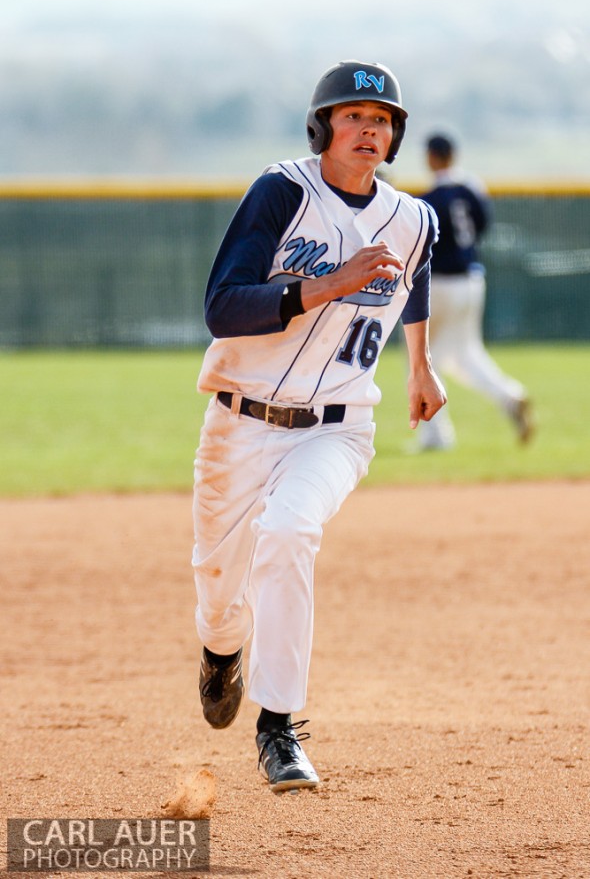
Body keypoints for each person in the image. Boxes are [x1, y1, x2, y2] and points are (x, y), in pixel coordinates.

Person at [191, 60, 446, 794]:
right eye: (353, 116)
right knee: (217, 593)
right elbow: (223, 306)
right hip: (239, 421)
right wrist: (329, 284)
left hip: (336, 427)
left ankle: (280, 726)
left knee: (291, 531)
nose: (369, 129)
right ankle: (219, 653)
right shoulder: (283, 191)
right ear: (323, 126)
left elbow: (416, 270)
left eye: (382, 120)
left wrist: (419, 366)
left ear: (394, 136)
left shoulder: (412, 216)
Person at [415, 132, 534, 451]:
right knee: (465, 354)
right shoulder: (473, 189)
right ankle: (510, 396)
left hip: (440, 284)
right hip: (472, 280)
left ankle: (435, 435)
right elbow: (482, 227)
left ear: (432, 157)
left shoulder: (430, 198)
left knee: (423, 359)